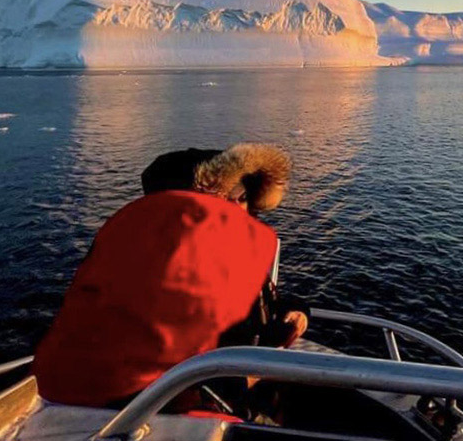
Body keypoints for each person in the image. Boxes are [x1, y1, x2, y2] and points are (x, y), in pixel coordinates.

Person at [33, 143, 308, 415]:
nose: (238, 207)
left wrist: (293, 312)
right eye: (229, 196)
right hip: (171, 410)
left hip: (77, 399)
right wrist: (269, 358)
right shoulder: (177, 274)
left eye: (243, 196)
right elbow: (192, 382)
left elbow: (258, 304)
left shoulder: (126, 247)